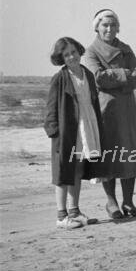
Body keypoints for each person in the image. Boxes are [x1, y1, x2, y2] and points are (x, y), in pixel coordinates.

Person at [82, 9, 136, 219]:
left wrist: (117, 79)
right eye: (104, 25)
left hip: (126, 110)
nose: (109, 29)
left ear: (118, 27)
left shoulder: (126, 49)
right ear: (97, 28)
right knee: (109, 156)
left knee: (129, 155)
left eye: (113, 25)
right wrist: (124, 75)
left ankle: (128, 202)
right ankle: (111, 203)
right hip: (105, 110)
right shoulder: (91, 52)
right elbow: (98, 78)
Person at [44, 37, 104, 229]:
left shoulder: (87, 74)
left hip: (86, 127)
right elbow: (51, 107)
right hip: (67, 130)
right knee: (63, 172)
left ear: (79, 51)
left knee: (77, 168)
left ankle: (74, 212)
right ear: (61, 58)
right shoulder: (60, 78)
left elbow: (93, 101)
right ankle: (61, 217)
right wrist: (53, 131)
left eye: (74, 52)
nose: (71, 57)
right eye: (66, 54)